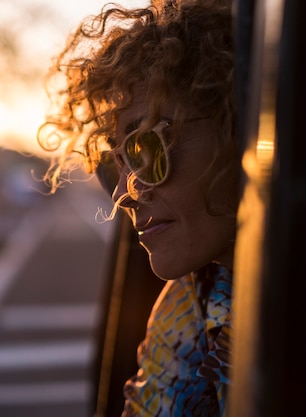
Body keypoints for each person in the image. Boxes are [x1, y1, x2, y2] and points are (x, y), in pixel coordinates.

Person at [37, 0, 238, 415]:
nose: (125, 194)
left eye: (147, 148)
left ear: (237, 127)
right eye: (114, 165)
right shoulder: (192, 303)